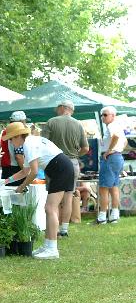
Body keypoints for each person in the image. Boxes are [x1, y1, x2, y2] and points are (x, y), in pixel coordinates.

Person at [2, 122, 75, 259]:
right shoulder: (30, 141)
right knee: (49, 208)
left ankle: (52, 249)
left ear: (18, 136)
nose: (10, 143)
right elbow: (25, 171)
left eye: (11, 139)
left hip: (60, 169)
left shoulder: (29, 144)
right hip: (60, 167)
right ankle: (48, 245)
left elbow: (34, 172)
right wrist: (6, 181)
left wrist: (22, 187)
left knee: (50, 208)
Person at [41, 99, 89, 236]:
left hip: (54, 162)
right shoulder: (78, 124)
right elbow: (85, 148)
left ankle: (53, 229)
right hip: (72, 163)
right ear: (70, 110)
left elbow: (43, 144)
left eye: (57, 108)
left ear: (62, 107)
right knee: (68, 196)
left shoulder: (51, 122)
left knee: (53, 198)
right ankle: (64, 229)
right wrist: (74, 155)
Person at [96, 106, 127, 224]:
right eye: (102, 115)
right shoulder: (118, 125)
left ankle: (102, 217)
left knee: (103, 188)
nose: (103, 117)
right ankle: (114, 215)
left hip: (110, 158)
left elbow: (116, 137)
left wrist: (109, 150)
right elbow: (125, 142)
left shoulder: (112, 125)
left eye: (105, 115)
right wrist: (116, 150)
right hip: (117, 157)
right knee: (114, 187)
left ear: (113, 116)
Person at [0, 111, 28, 186]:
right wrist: (26, 173)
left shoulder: (5, 132)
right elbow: (19, 156)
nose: (25, 123)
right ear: (21, 122)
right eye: (24, 121)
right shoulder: (17, 132)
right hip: (16, 169)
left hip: (6, 168)